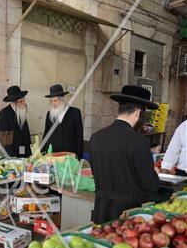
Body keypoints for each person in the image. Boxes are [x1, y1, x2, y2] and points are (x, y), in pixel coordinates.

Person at [89, 85, 160, 223]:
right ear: (138, 113)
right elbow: (150, 184)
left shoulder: (96, 137)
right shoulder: (139, 142)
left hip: (101, 210)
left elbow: (96, 171)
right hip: (128, 215)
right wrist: (154, 173)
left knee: (102, 243)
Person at [42, 84, 83, 159]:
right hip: (52, 156)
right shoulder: (49, 114)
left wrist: (79, 157)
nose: (53, 104)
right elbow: (46, 134)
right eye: (51, 101)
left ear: (62, 100)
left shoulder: (75, 113)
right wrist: (42, 154)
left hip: (69, 155)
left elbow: (79, 137)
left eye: (55, 101)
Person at [0, 85, 31, 158]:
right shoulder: (4, 115)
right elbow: (5, 143)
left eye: (24, 100)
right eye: (20, 101)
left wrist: (27, 155)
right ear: (13, 103)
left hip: (23, 155)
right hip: (12, 158)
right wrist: (15, 159)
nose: (23, 103)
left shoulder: (21, 112)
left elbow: (25, 136)